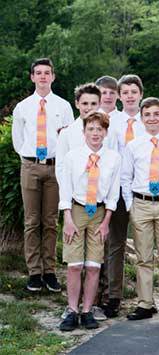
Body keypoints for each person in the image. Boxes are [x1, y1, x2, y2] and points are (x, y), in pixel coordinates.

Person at [12, 58, 73, 293]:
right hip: (30, 166)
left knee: (49, 222)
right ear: (32, 77)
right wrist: (28, 158)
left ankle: (49, 271)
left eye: (47, 73)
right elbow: (18, 140)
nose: (43, 77)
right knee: (31, 221)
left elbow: (67, 138)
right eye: (38, 73)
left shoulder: (63, 106)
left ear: (53, 77)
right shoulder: (23, 107)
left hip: (55, 167)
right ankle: (34, 273)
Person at [58, 112, 121, 331]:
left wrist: (106, 222)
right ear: (84, 132)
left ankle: (87, 311)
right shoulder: (72, 156)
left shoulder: (113, 158)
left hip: (100, 213)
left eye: (99, 129)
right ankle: (72, 310)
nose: (95, 133)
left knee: (94, 265)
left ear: (105, 132)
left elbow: (113, 192)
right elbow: (65, 188)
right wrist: (67, 217)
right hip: (76, 210)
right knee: (75, 265)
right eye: (91, 129)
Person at [121, 98, 159, 322]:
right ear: (142, 118)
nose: (152, 118)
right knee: (144, 257)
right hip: (141, 203)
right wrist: (130, 205)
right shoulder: (133, 145)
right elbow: (126, 178)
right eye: (148, 115)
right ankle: (145, 303)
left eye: (156, 114)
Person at [100, 74, 146, 318]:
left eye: (133, 91)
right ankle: (113, 296)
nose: (129, 96)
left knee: (143, 246)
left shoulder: (148, 119)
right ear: (119, 95)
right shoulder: (111, 121)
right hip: (116, 191)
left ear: (140, 94)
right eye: (124, 92)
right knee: (115, 245)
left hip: (142, 191)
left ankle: (145, 299)